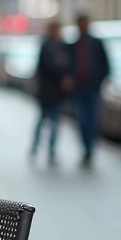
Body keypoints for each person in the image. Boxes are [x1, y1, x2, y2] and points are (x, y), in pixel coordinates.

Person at [67, 13, 111, 167]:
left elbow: (106, 66)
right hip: (79, 89)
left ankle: (90, 150)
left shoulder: (97, 43)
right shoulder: (73, 45)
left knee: (92, 120)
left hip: (93, 88)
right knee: (82, 120)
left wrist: (99, 81)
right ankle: (85, 148)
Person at [30, 19, 72, 166]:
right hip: (48, 91)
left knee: (49, 121)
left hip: (54, 92)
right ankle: (41, 149)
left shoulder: (60, 45)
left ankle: (46, 150)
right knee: (47, 121)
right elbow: (50, 67)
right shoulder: (49, 46)